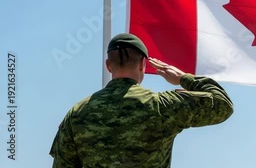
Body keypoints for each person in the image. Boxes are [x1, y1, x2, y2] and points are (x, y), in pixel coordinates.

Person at [49, 33, 234, 167]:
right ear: (142, 65)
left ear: (108, 66)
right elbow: (222, 104)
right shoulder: (162, 106)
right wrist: (182, 78)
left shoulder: (76, 114)